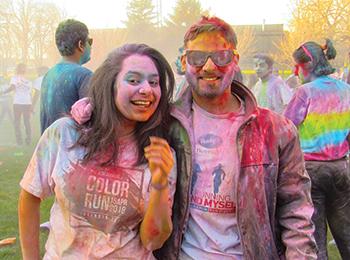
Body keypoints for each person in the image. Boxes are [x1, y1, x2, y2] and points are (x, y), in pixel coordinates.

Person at [72, 16, 317, 259]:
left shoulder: (275, 129)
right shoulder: (163, 122)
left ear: (235, 61)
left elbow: (296, 210)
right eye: (198, 57)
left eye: (221, 57)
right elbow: (122, 109)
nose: (209, 66)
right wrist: (92, 107)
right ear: (184, 62)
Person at [18, 43, 180, 259]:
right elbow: (30, 196)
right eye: (133, 80)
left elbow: (152, 240)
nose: (146, 89)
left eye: (154, 82)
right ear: (110, 84)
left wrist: (160, 184)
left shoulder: (159, 153)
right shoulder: (64, 134)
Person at [284, 39, 350, 260]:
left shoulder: (305, 93)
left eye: (297, 65)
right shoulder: (346, 90)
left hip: (311, 172)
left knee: (315, 236)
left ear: (307, 64)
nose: (295, 71)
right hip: (341, 168)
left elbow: (286, 128)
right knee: (346, 232)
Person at [40, 19, 93, 134]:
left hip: (50, 148)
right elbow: (92, 124)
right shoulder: (85, 76)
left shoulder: (49, 74)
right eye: (90, 41)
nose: (91, 46)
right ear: (81, 45)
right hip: (71, 149)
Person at [1, 64, 33, 145]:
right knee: (27, 122)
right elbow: (29, 94)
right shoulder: (28, 80)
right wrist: (31, 105)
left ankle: (19, 141)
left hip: (18, 103)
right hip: (27, 103)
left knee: (17, 122)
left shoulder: (14, 78)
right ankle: (28, 140)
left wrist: (3, 92)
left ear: (17, 69)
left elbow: (12, 87)